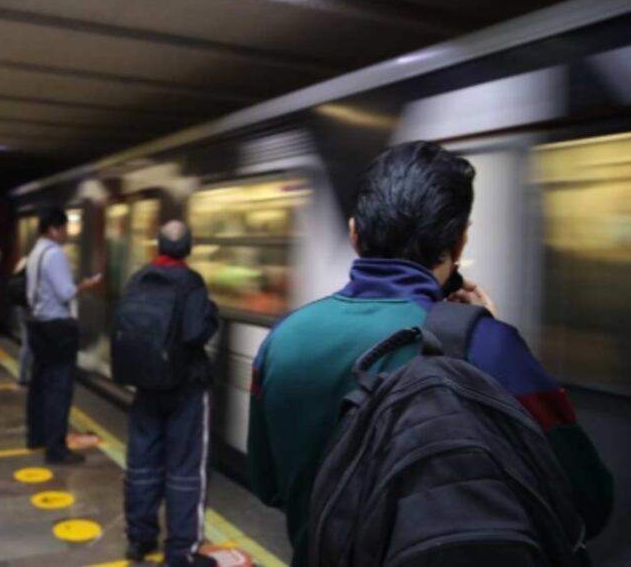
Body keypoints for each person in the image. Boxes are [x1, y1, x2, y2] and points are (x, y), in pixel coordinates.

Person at [247, 141, 613, 566]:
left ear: (354, 233)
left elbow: (268, 485)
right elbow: (590, 502)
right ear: (459, 244)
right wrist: (491, 333)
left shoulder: (282, 340)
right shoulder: (489, 347)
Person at [121, 221, 219, 567]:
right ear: (189, 247)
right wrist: (212, 317)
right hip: (185, 388)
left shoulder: (140, 278)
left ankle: (139, 539)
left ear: (158, 246)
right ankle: (181, 552)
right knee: (186, 469)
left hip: (146, 385)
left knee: (142, 462)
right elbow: (195, 332)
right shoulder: (191, 282)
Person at [25, 206, 102, 464]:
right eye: (65, 228)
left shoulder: (35, 252)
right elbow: (66, 292)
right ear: (53, 229)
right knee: (59, 387)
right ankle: (56, 448)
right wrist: (86, 285)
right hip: (57, 327)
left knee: (40, 384)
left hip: (37, 324)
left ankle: (36, 436)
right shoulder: (55, 254)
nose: (67, 233)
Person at [12, 256, 34, 386]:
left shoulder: (23, 261)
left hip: (20, 307)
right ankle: (24, 375)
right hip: (29, 309)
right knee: (29, 344)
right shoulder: (34, 261)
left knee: (26, 342)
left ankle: (23, 374)